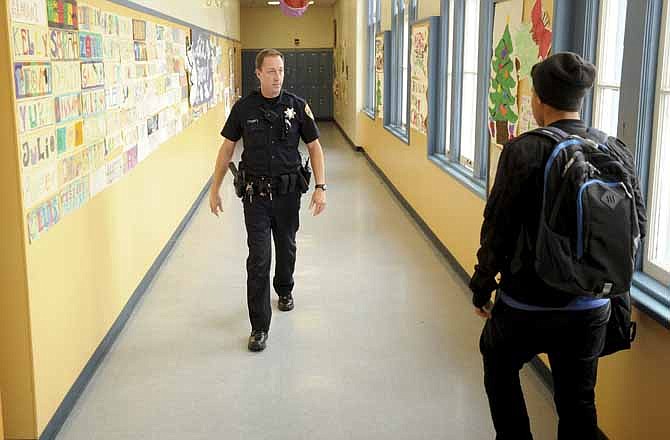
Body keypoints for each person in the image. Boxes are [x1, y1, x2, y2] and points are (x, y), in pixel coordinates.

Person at [469, 52, 646, 439]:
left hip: (527, 303)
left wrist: (481, 286)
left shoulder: (523, 150)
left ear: (538, 99)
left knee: (498, 363)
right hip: (591, 308)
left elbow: (497, 229)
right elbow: (638, 226)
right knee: (578, 402)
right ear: (579, 98)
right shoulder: (615, 149)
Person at [209, 48, 327, 352]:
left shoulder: (298, 107)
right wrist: (215, 189)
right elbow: (226, 150)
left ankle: (285, 288)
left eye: (281, 70)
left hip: (288, 195)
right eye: (271, 71)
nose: (278, 77)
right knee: (259, 259)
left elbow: (314, 148)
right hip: (256, 197)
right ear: (258, 73)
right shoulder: (244, 109)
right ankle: (259, 326)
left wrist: (321, 187)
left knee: (286, 248)